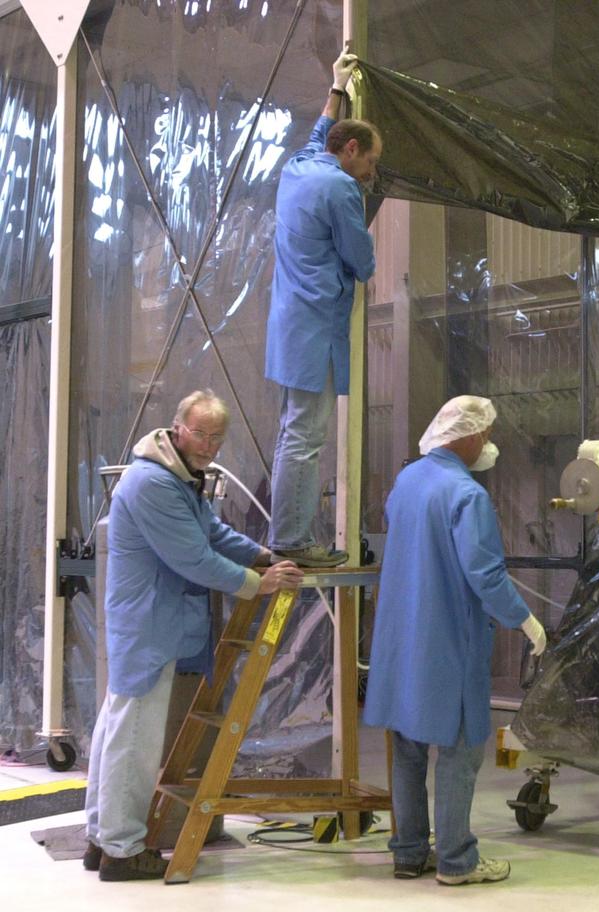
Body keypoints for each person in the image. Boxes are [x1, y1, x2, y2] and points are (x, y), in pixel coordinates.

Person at [84, 390, 303, 881]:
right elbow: (193, 557)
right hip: (149, 624)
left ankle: (102, 839)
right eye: (200, 433)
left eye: (216, 437)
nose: (208, 444)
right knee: (134, 737)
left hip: (153, 622)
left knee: (118, 727)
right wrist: (256, 584)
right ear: (177, 427)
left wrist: (261, 555)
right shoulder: (152, 483)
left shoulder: (178, 477)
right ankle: (121, 850)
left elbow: (212, 534)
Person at [363, 396, 547, 886]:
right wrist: (526, 621)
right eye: (484, 435)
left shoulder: (407, 483)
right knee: (459, 750)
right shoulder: (467, 496)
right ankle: (456, 861)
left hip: (402, 640)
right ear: (463, 436)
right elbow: (485, 576)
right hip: (448, 640)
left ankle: (407, 852)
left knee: (407, 748)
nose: (488, 445)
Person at [265, 46, 381, 567]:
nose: (369, 173)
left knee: (294, 429)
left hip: (291, 323)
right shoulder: (340, 188)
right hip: (315, 326)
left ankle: (288, 533)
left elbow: (320, 131)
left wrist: (336, 87)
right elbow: (362, 260)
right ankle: (291, 541)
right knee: (306, 437)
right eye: (370, 163)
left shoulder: (300, 164)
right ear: (352, 150)